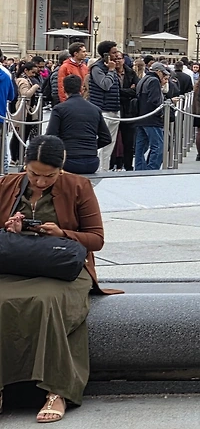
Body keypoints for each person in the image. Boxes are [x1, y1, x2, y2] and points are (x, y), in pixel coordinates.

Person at [1, 134, 119, 422]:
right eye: (34, 174)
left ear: (61, 168)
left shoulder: (78, 186)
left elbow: (96, 239)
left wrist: (62, 233)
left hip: (63, 270)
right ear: (25, 165)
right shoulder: (6, 185)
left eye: (49, 176)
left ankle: (57, 391)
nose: (41, 181)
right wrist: (11, 229)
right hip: (16, 265)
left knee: (47, 302)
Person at [44, 75, 112, 175]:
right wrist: (91, 147)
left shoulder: (59, 109)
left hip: (68, 160)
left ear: (64, 89)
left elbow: (50, 136)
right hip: (92, 162)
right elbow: (106, 138)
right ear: (81, 88)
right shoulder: (95, 109)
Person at [87, 41, 123, 171]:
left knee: (111, 142)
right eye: (114, 52)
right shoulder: (97, 68)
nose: (116, 55)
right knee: (102, 141)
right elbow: (105, 85)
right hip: (103, 109)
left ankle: (105, 168)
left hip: (113, 108)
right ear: (106, 54)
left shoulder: (111, 67)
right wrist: (111, 70)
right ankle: (98, 168)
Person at [133, 61, 169, 172]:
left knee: (140, 147)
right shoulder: (154, 81)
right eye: (163, 73)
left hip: (141, 117)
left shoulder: (143, 79)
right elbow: (155, 101)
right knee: (158, 146)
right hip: (152, 118)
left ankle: (139, 169)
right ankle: (152, 170)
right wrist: (160, 113)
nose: (164, 76)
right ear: (158, 72)